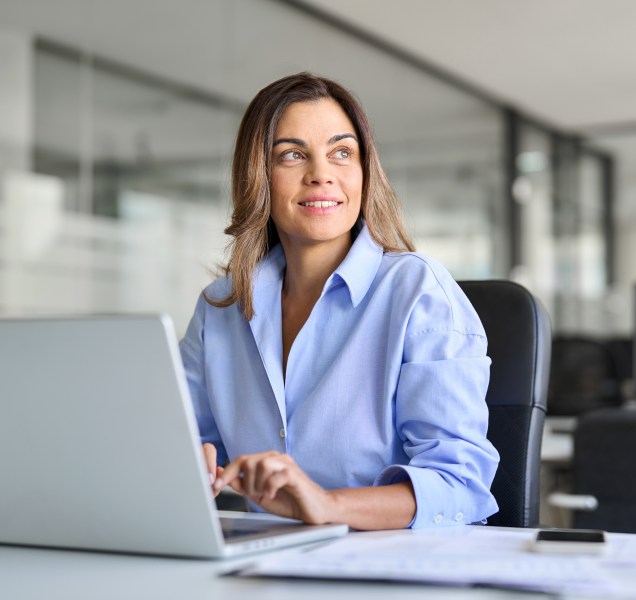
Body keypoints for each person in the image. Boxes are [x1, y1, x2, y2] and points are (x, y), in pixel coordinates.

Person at [179, 72, 499, 530]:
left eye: (341, 152)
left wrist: (327, 505)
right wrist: (188, 461)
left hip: (390, 567)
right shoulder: (220, 308)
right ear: (259, 175)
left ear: (365, 171)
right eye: (293, 154)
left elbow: (460, 485)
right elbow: (182, 444)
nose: (321, 174)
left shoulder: (418, 293)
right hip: (266, 566)